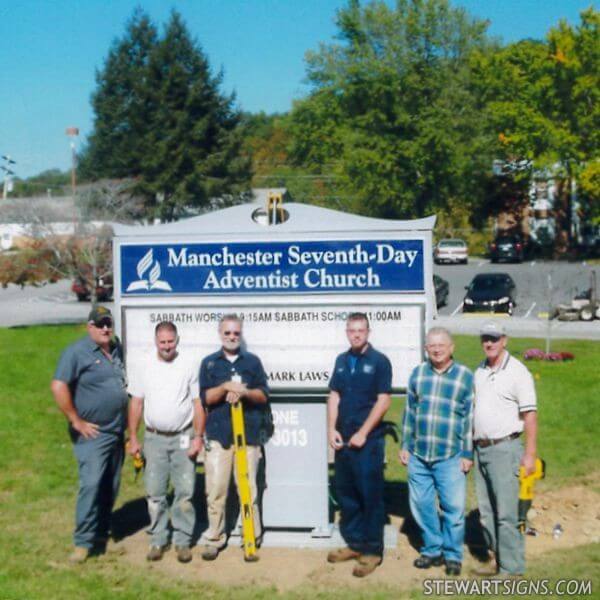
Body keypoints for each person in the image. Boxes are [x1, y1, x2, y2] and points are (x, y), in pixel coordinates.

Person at [50, 306, 128, 564]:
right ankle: (82, 543)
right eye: (100, 324)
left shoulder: (117, 350)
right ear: (90, 327)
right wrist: (76, 420)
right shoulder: (76, 352)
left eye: (109, 323)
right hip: (93, 433)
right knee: (92, 484)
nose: (106, 328)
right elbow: (59, 385)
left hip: (117, 431)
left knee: (110, 485)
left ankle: (101, 533)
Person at [127, 321, 205, 563]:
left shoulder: (189, 364)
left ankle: (183, 541)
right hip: (154, 438)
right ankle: (158, 539)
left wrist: (198, 437)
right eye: (162, 342)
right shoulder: (144, 365)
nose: (167, 346)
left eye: (171, 341)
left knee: (184, 492)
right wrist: (132, 438)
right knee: (155, 492)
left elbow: (198, 404)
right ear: (155, 342)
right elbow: (136, 403)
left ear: (177, 340)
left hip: (184, 436)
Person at [400, 327, 474, 577]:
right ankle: (432, 549)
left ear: (451, 347)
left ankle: (453, 555)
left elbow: (469, 418)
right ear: (426, 349)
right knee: (421, 504)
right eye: (432, 345)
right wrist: (405, 446)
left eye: (442, 344)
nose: (437, 349)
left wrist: (466, 453)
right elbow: (409, 413)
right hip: (419, 455)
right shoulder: (418, 374)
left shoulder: (465, 376)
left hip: (450, 455)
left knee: (453, 508)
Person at [198, 314, 271, 560]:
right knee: (216, 489)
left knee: (248, 490)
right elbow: (206, 398)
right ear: (220, 334)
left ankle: (251, 536)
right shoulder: (209, 364)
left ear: (241, 334)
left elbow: (263, 396)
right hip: (219, 436)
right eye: (227, 333)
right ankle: (214, 538)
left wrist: (244, 392)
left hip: (248, 436)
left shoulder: (253, 362)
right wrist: (226, 387)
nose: (232, 337)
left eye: (236, 333)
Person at [326, 312, 392, 578]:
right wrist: (331, 429)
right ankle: (354, 543)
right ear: (346, 332)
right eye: (352, 330)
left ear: (368, 332)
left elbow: (384, 400)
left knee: (370, 496)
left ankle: (372, 550)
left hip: (368, 442)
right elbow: (334, 395)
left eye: (360, 330)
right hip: (344, 440)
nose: (356, 334)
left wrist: (364, 432)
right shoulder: (342, 361)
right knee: (348, 494)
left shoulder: (379, 362)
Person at [472, 321, 537, 576]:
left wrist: (529, 455)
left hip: (506, 448)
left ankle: (512, 568)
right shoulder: (479, 371)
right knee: (486, 513)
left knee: (506, 514)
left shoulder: (518, 372)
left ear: (504, 340)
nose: (489, 343)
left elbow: (530, 415)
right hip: (481, 449)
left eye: (494, 338)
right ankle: (496, 559)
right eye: (485, 338)